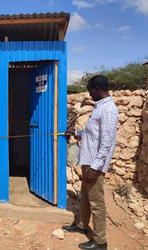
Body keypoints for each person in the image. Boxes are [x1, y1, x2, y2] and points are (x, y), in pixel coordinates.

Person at [64, 75, 119, 250]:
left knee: (96, 203)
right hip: (88, 161)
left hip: (95, 164)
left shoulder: (109, 109)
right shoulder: (99, 107)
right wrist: (76, 132)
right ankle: (81, 225)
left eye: (90, 91)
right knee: (85, 198)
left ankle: (101, 241)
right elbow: (93, 133)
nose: (90, 95)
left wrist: (95, 167)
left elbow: (107, 141)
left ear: (97, 89)